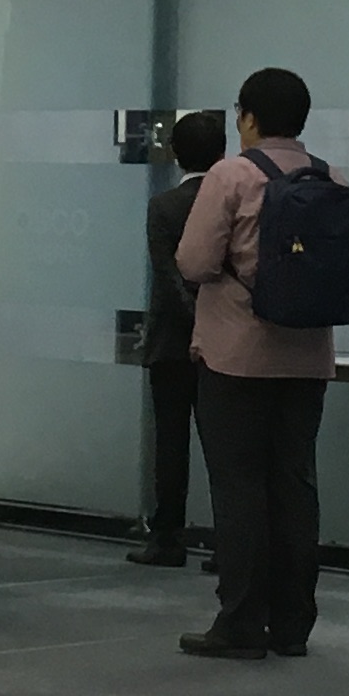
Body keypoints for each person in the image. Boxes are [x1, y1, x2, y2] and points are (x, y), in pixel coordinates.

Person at [174, 66, 349, 661]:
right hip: (308, 360)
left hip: (236, 357)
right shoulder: (330, 178)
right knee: (295, 485)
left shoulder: (231, 175)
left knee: (239, 489)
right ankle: (292, 623)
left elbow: (193, 261)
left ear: (249, 118)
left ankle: (240, 622)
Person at [128, 108, 221, 567]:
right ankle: (231, 543)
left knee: (171, 443)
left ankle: (167, 538)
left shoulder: (164, 206)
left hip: (170, 341)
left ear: (175, 153)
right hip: (225, 341)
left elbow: (168, 277)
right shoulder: (233, 202)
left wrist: (191, 319)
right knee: (226, 449)